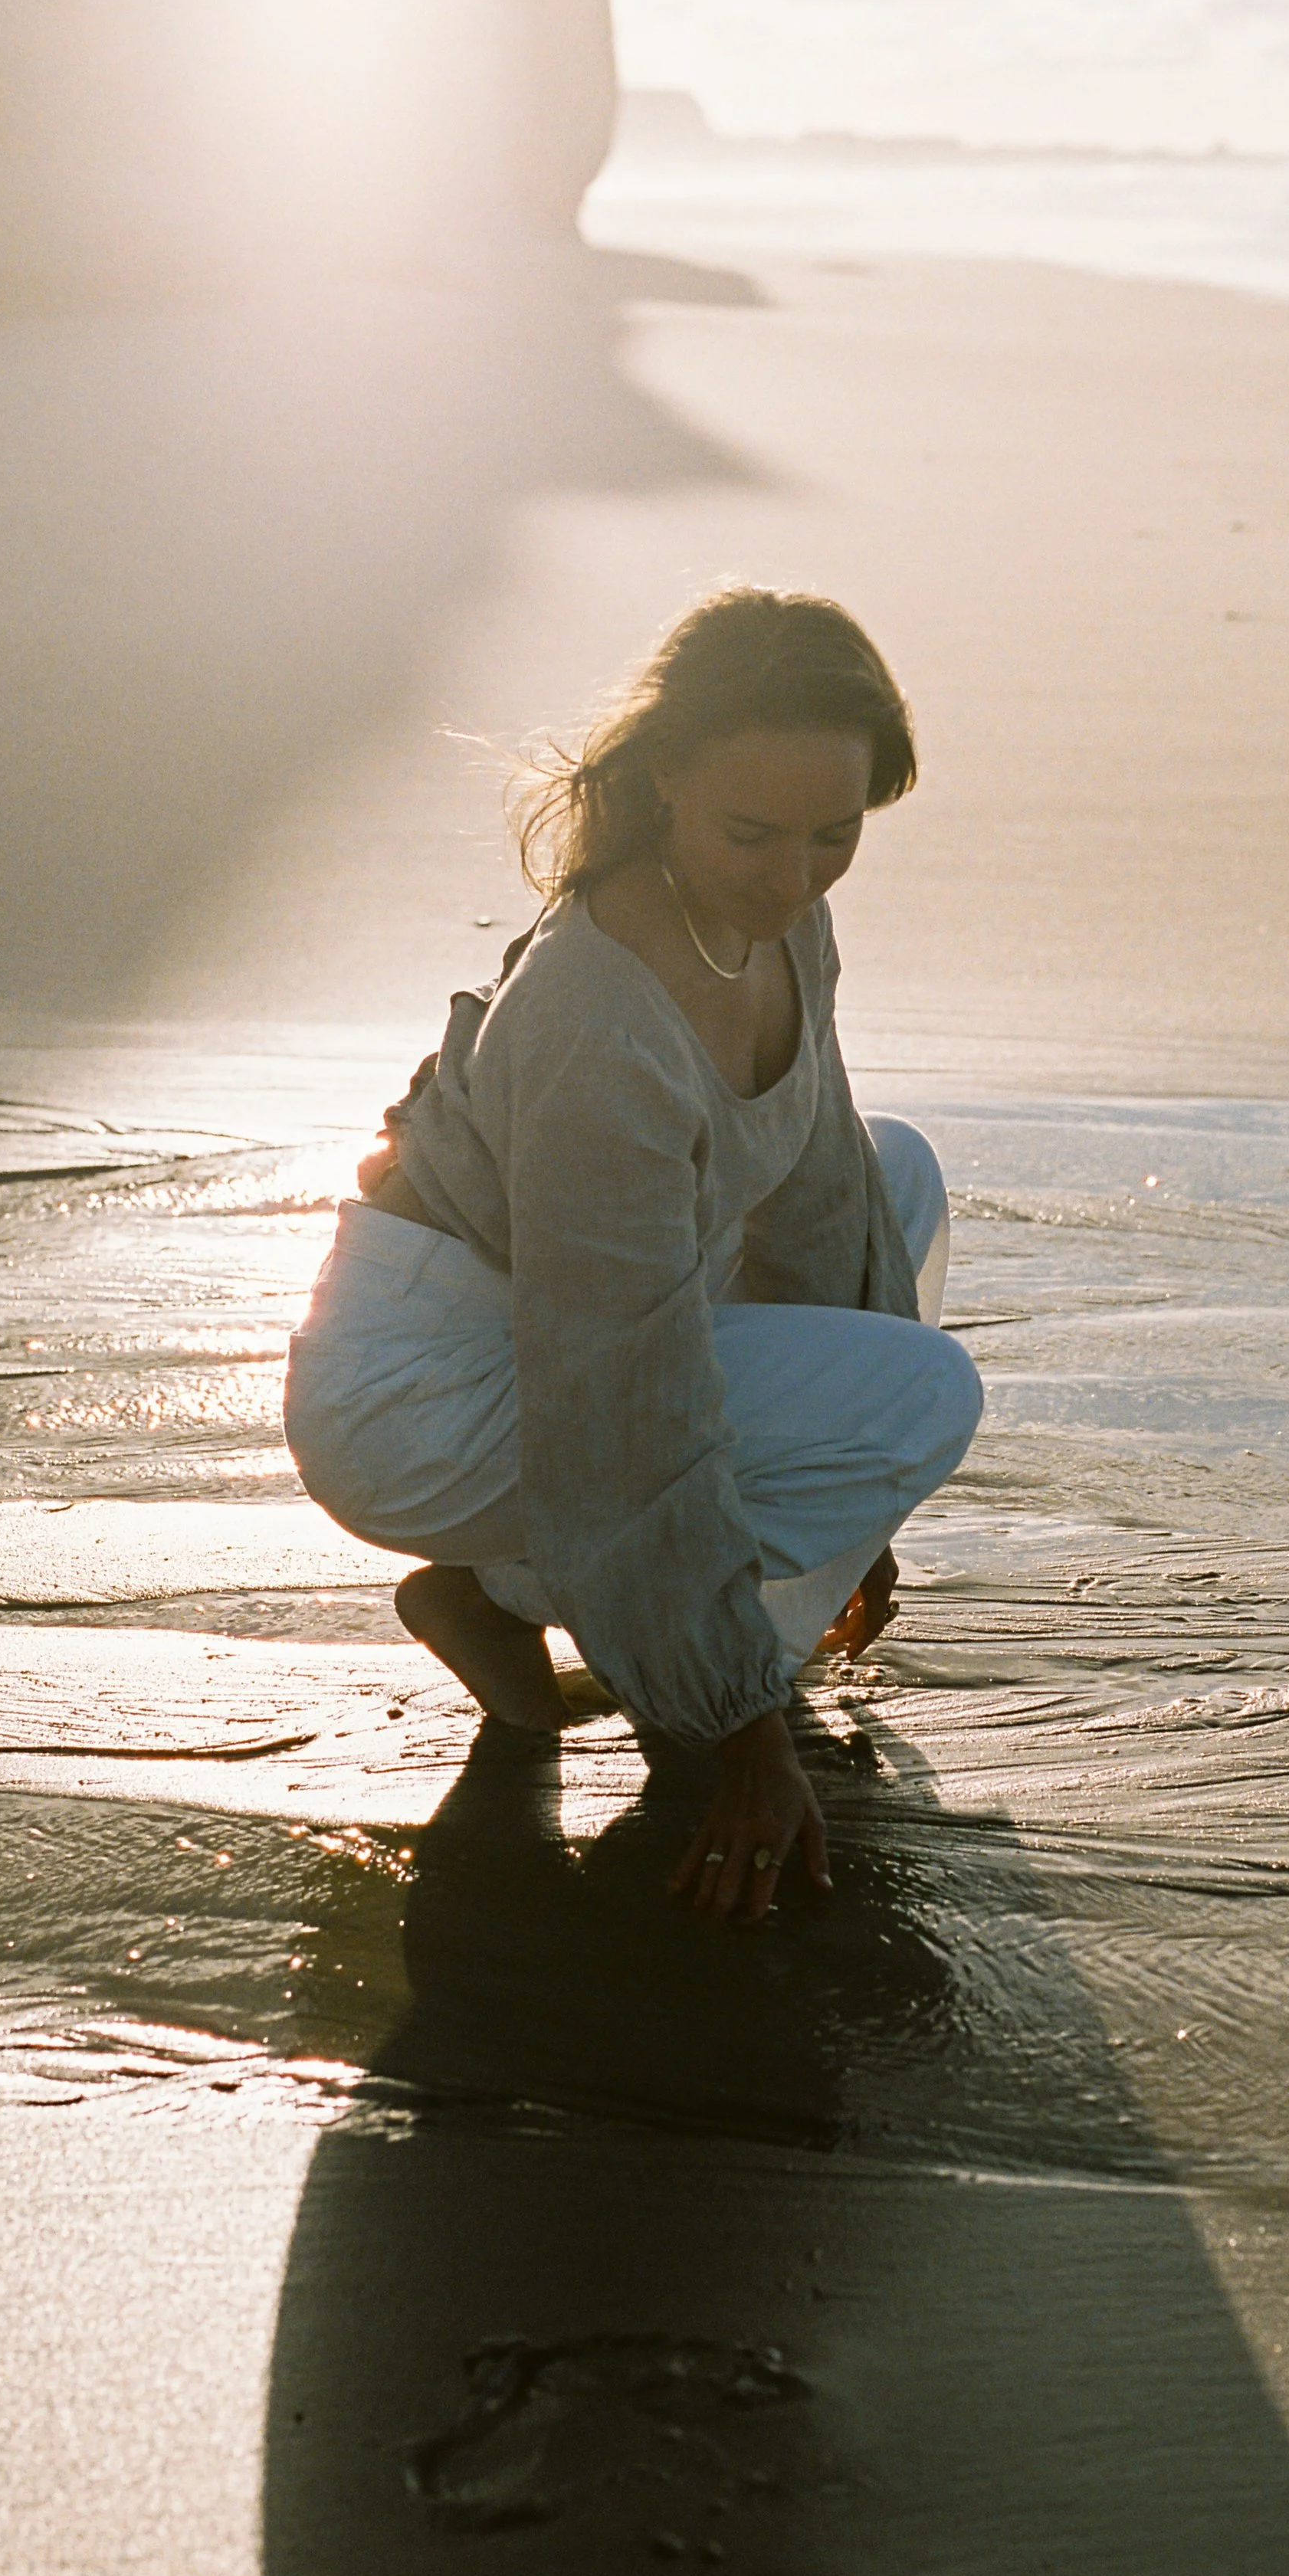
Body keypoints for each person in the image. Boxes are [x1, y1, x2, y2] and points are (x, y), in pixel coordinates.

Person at [285, 589, 982, 1922]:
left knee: (896, 1172)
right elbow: (619, 1397)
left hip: (552, 1324)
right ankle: (613, 1632)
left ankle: (519, 1594)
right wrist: (741, 1735)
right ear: (666, 780)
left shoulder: (782, 920)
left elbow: (824, 1189)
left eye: (835, 836)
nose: (792, 878)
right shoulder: (597, 1019)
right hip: (421, 1394)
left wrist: (863, 1514)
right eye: (752, 834)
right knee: (927, 1393)